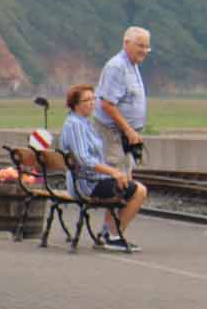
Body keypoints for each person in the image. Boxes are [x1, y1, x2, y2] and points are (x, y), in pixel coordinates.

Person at [58, 82, 147, 251]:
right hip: (86, 185)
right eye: (86, 100)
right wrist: (113, 172)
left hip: (86, 180)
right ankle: (113, 236)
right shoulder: (76, 125)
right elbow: (85, 159)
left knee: (126, 182)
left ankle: (108, 233)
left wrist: (116, 174)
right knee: (139, 191)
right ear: (75, 104)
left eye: (93, 99)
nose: (92, 103)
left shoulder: (82, 122)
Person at [94, 26, 151, 180]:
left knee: (126, 177)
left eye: (147, 47)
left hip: (126, 137)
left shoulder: (133, 65)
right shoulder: (117, 67)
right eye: (140, 46)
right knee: (117, 178)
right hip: (113, 134)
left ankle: (126, 202)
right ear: (126, 43)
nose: (144, 51)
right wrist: (128, 130)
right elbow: (107, 104)